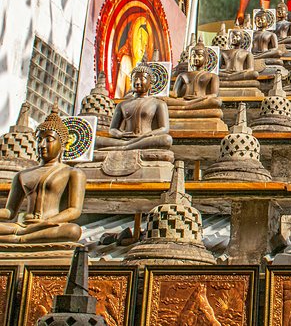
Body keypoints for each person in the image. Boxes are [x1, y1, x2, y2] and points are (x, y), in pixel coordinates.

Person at [0, 105, 85, 244]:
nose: (42, 145)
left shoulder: (72, 173)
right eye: (39, 140)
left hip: (49, 224)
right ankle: (21, 235)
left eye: (49, 140)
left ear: (62, 143)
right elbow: (10, 212)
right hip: (22, 225)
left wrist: (47, 221)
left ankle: (21, 238)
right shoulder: (21, 175)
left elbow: (74, 210)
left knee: (73, 230)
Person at [94, 59, 173, 151]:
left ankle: (126, 147)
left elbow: (164, 128)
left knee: (166, 139)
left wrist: (147, 135)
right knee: (95, 140)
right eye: (135, 79)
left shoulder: (158, 103)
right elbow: (112, 129)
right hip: (125, 139)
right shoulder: (122, 105)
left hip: (146, 139)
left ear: (151, 83)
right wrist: (120, 134)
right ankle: (127, 145)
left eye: (142, 79)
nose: (137, 82)